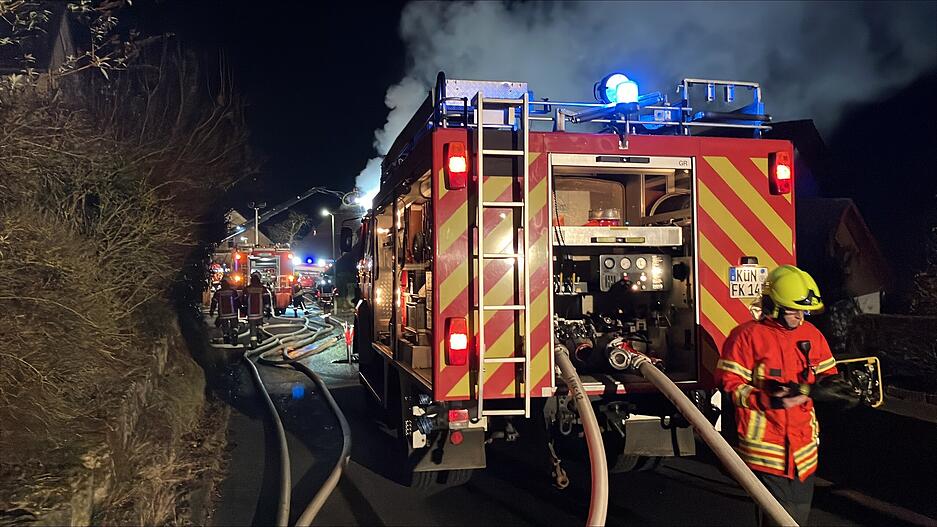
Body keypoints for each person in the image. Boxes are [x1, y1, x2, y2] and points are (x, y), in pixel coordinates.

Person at [716, 265, 838, 526]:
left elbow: (828, 374)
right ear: (774, 305)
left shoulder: (812, 335)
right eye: (793, 310)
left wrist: (835, 387)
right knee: (782, 520)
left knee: (798, 518)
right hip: (767, 449)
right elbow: (730, 385)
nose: (800, 317)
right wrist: (768, 398)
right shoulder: (746, 337)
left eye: (803, 311)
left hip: (804, 451)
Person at [244, 273, 273, 347]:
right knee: (260, 324)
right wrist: (268, 310)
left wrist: (244, 309)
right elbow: (267, 300)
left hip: (250, 313)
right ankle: (259, 334)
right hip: (260, 312)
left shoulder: (247, 289)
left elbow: (243, 300)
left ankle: (253, 343)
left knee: (252, 326)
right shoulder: (263, 289)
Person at [209, 279, 240, 344]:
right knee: (234, 325)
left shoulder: (218, 293)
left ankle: (226, 338)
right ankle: (234, 334)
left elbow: (214, 302)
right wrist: (240, 308)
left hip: (223, 314)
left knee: (225, 326)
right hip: (233, 313)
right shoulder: (233, 292)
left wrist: (212, 310)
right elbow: (237, 302)